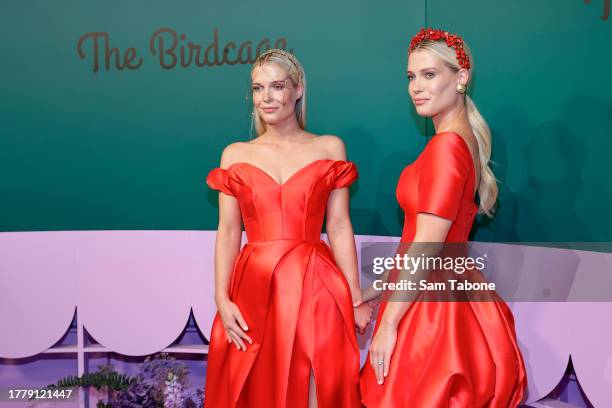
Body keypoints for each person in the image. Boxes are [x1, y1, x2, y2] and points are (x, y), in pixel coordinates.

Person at [359, 28, 527, 407]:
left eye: (430, 75)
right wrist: (371, 292)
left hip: (431, 312)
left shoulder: (447, 146)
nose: (416, 87)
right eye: (411, 77)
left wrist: (388, 324)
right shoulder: (462, 139)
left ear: (461, 77)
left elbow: (427, 247)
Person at [204, 48, 372, 408]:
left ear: (297, 90)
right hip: (253, 289)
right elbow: (229, 232)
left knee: (318, 385)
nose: (267, 97)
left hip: (316, 285)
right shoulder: (234, 154)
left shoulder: (329, 147)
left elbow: (340, 227)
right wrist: (221, 296)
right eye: (258, 88)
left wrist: (355, 297)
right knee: (256, 390)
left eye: (277, 86)